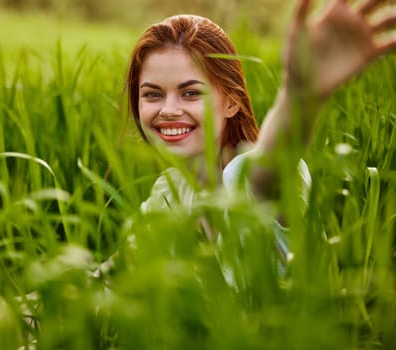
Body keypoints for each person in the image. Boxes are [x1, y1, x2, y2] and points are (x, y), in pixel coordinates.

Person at [121, 0, 396, 275]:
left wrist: (299, 98)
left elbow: (270, 166)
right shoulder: (168, 190)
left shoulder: (245, 173)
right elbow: (114, 273)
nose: (168, 110)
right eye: (153, 94)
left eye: (191, 93)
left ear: (232, 102)